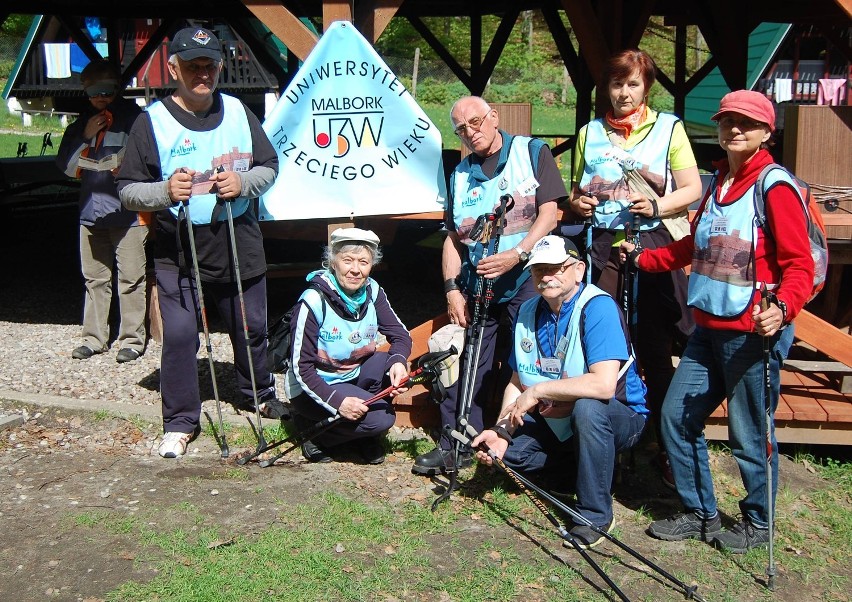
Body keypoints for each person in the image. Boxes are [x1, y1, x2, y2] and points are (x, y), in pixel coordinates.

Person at [621, 90, 813, 552]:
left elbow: (800, 265)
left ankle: (758, 522)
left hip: (752, 334)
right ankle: (699, 512)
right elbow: (695, 247)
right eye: (728, 122)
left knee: (749, 433)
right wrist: (645, 260)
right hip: (708, 330)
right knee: (676, 417)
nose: (735, 130)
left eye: (746, 123)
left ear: (767, 132)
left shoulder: (775, 186)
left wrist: (783, 308)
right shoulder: (719, 183)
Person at [116, 27, 283, 458]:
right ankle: (180, 420)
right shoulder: (150, 121)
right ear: (174, 68)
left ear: (220, 67)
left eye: (209, 65)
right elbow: (128, 189)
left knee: (252, 327)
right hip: (179, 247)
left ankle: (257, 393)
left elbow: (269, 166)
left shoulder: (239, 111)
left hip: (237, 239)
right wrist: (165, 192)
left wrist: (243, 182)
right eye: (192, 65)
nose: (202, 73)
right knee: (181, 334)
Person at [565, 49, 702, 488]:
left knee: (655, 346)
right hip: (603, 248)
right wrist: (578, 201)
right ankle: (602, 437)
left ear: (646, 87)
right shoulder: (590, 131)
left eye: (633, 84)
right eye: (616, 84)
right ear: (606, 88)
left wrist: (658, 204)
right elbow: (578, 188)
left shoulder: (669, 129)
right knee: (606, 346)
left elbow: (693, 188)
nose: (624, 93)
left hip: (654, 244)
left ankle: (664, 444)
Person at [412, 96, 565, 476]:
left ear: (493, 118)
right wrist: (451, 289)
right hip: (479, 288)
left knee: (528, 363)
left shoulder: (531, 152)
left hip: (529, 282)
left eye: (476, 122)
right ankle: (457, 444)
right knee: (471, 366)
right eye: (461, 129)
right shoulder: (459, 174)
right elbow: (452, 237)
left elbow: (551, 213)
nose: (470, 132)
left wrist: (519, 255)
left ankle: (521, 447)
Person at [471, 235, 648, 549]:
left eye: (556, 268)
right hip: (556, 417)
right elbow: (516, 381)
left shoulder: (597, 307)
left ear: (578, 270)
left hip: (619, 416)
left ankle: (595, 514)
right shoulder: (527, 311)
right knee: (506, 455)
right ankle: (574, 469)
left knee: (588, 409)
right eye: (539, 270)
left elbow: (603, 385)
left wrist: (539, 391)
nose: (546, 276)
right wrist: (500, 430)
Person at [285, 228, 413, 464]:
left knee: (387, 364)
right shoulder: (313, 301)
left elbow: (400, 335)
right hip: (312, 386)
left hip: (351, 373)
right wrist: (338, 401)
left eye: (363, 262)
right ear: (333, 262)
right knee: (383, 419)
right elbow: (300, 369)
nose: (356, 269)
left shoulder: (372, 291)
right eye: (348, 260)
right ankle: (313, 432)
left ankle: (360, 434)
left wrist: (398, 362)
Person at [56, 60, 148, 364]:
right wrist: (85, 135)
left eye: (107, 91)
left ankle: (132, 340)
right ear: (86, 91)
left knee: (131, 278)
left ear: (116, 88)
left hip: (128, 213)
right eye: (95, 93)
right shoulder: (81, 122)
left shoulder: (136, 117)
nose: (101, 98)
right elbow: (67, 169)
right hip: (90, 212)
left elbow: (152, 160)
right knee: (95, 278)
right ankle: (94, 338)